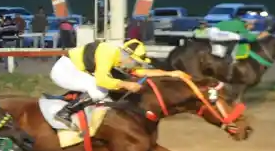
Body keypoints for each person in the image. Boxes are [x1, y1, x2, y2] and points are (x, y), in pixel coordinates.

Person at [50, 38, 187, 130]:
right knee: (100, 91)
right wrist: (126, 85)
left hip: (76, 69)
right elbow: (102, 80)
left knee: (103, 92)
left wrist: (171, 74)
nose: (134, 66)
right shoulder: (107, 52)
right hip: (65, 70)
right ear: (128, 56)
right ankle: (64, 113)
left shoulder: (121, 56)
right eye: (135, 62)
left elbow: (141, 72)